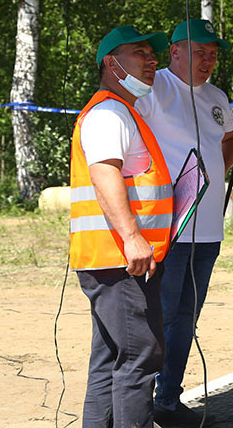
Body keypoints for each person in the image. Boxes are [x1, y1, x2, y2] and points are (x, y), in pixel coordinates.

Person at [136, 18, 233, 428]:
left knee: (186, 318)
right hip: (166, 229)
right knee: (155, 318)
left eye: (214, 54)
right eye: (201, 52)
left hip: (208, 227)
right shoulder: (153, 88)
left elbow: (232, 137)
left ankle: (168, 400)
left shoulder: (217, 96)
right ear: (176, 51)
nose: (209, 60)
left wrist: (215, 170)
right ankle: (136, 403)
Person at [69, 25, 172, 428]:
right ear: (112, 63)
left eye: (152, 54)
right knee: (139, 356)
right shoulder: (109, 111)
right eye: (140, 53)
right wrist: (132, 238)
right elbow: (105, 174)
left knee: (112, 356)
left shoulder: (121, 110)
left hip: (113, 259)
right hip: (120, 259)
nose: (151, 61)